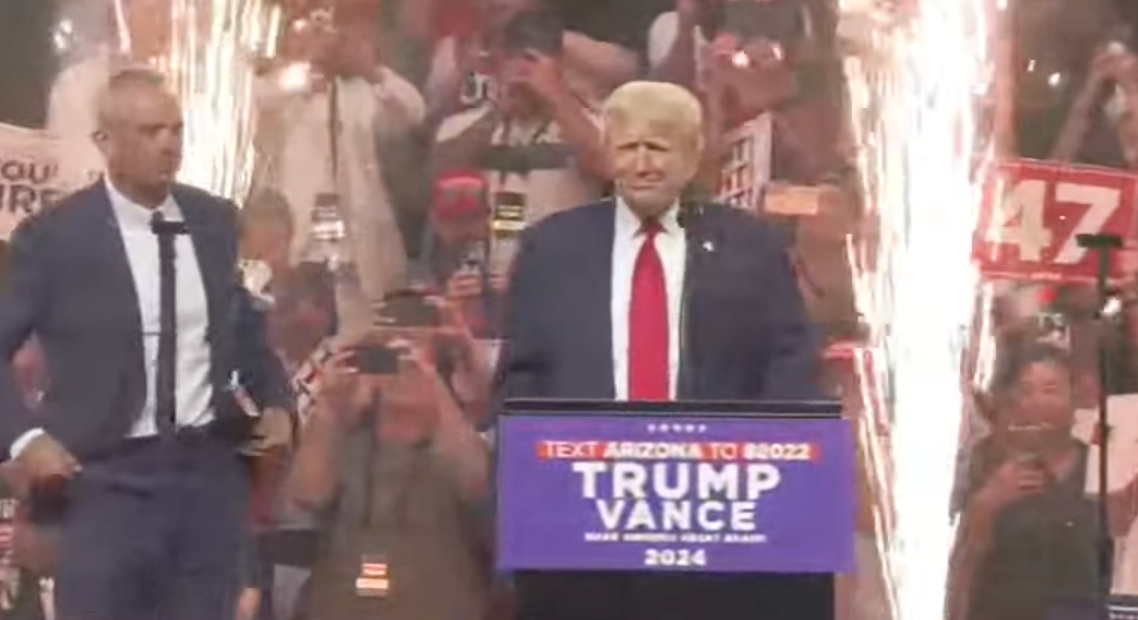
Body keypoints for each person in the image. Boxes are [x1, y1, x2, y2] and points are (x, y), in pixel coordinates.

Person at [494, 80, 823, 620]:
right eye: (628, 148)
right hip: (583, 528)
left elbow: (787, 371)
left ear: (693, 156)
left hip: (717, 527)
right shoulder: (551, 246)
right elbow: (521, 382)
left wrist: (769, 496)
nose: (643, 164)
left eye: (659, 148)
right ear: (605, 155)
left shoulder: (752, 245)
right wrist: (529, 503)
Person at [0, 67, 294, 620]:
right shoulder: (57, 237)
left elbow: (244, 331)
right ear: (105, 142)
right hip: (103, 482)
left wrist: (277, 401)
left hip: (205, 479)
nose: (169, 145)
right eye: (150, 131)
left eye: (176, 129)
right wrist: (25, 438)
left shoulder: (213, 222)